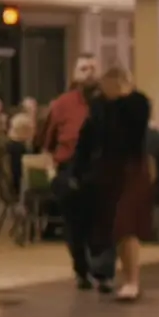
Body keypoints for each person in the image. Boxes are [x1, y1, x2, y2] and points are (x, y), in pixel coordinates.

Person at [85, 67, 153, 301]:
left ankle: (132, 280)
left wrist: (119, 98)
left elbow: (132, 133)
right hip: (109, 170)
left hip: (132, 168)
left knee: (127, 223)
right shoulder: (101, 107)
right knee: (115, 226)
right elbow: (97, 134)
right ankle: (117, 275)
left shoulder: (137, 103)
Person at [42, 55, 103, 287]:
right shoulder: (62, 104)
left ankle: (101, 269)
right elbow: (48, 142)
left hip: (99, 168)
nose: (88, 73)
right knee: (74, 224)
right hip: (68, 168)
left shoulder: (107, 102)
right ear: (75, 74)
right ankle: (81, 270)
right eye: (83, 68)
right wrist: (53, 172)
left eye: (92, 68)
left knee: (101, 221)